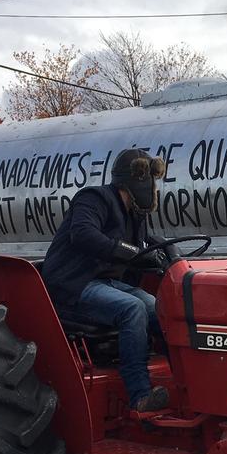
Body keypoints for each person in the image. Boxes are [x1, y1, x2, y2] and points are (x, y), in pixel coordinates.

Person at [42, 148, 170, 412]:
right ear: (131, 180)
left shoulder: (136, 215)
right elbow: (83, 233)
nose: (150, 187)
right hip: (74, 284)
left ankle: (186, 377)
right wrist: (130, 252)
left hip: (108, 284)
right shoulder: (94, 198)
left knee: (160, 307)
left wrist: (163, 256)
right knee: (132, 309)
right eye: (146, 180)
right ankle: (140, 396)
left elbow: (146, 244)